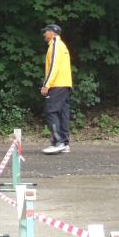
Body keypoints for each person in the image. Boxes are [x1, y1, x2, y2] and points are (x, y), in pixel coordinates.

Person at [40, 23, 72, 154]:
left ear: (52, 33)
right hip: (65, 84)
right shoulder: (62, 45)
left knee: (51, 111)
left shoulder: (55, 45)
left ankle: (58, 142)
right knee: (63, 113)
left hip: (57, 84)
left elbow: (54, 66)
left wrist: (46, 84)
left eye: (45, 32)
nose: (44, 34)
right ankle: (64, 143)